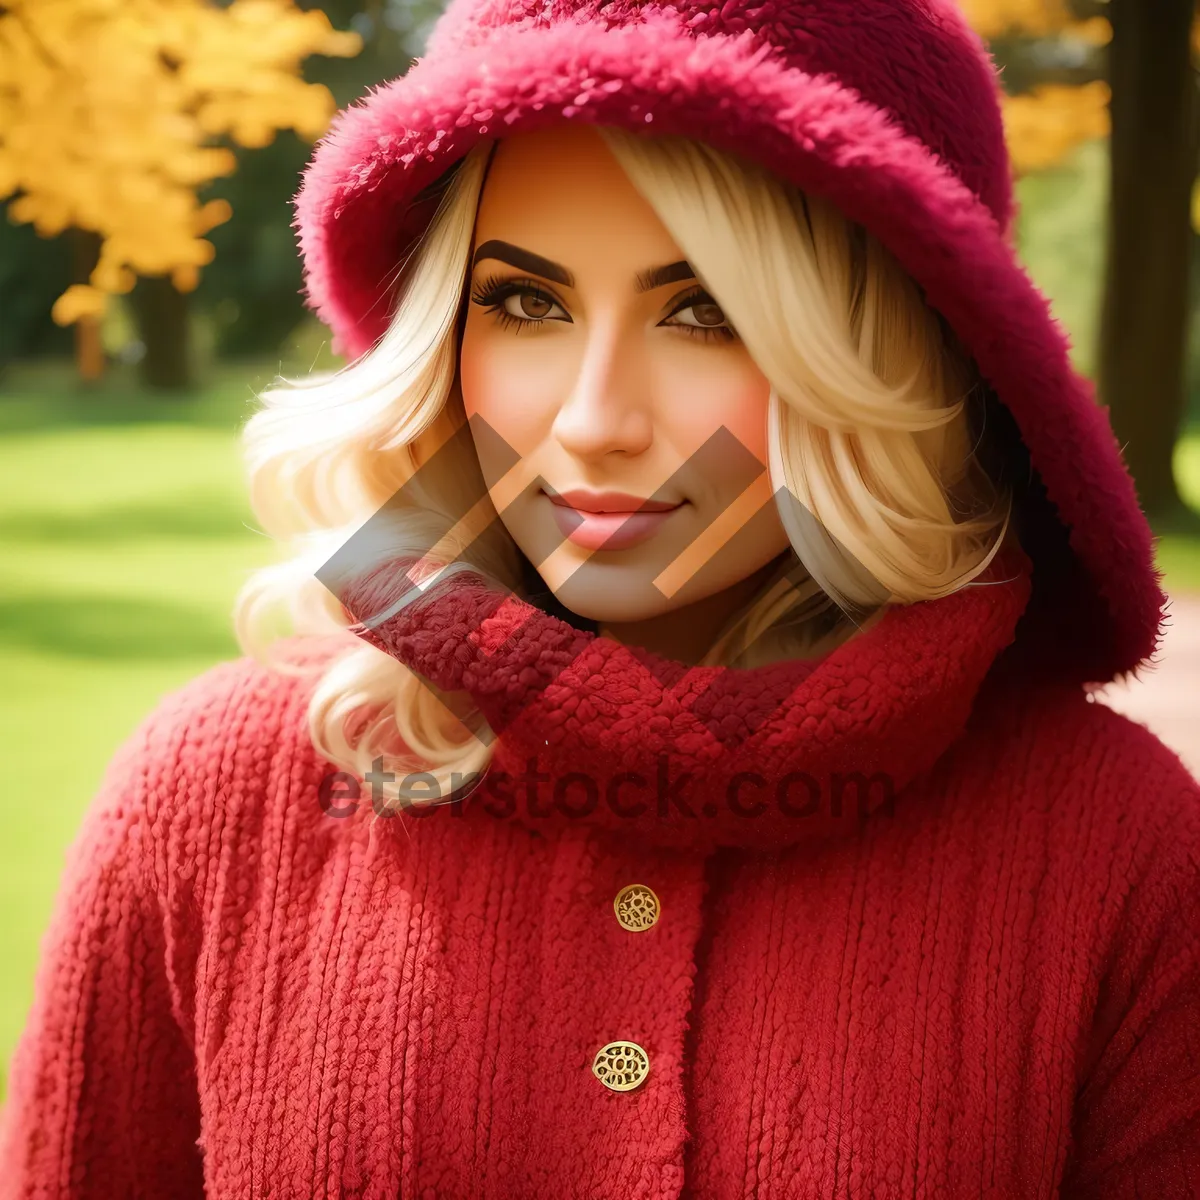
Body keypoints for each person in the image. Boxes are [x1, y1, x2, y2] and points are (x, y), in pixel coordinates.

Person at [2, 0, 1199, 1195]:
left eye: (705, 312)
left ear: (889, 355)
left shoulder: (1120, 853)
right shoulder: (212, 798)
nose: (590, 422)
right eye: (525, 302)